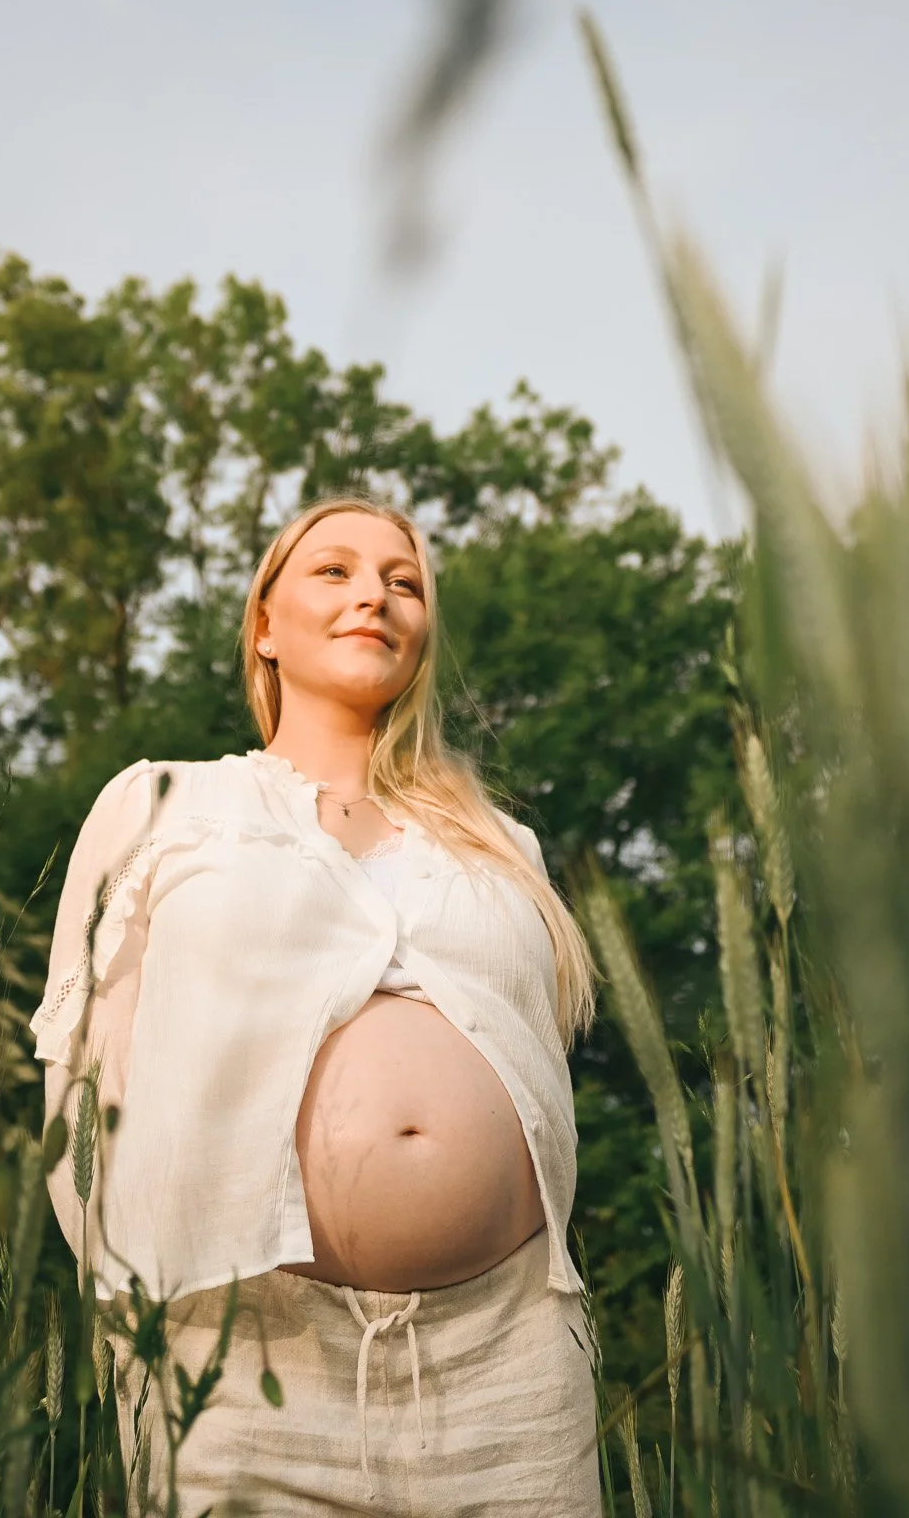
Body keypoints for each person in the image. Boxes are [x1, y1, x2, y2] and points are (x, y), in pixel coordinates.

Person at [31, 496, 602, 1516]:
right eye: (333, 569)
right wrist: (142, 1330)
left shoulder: (504, 842)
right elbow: (85, 1087)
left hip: (509, 1367)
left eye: (405, 580)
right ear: (263, 623)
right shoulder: (163, 800)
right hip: (243, 1360)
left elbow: (533, 1068)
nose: (374, 593)